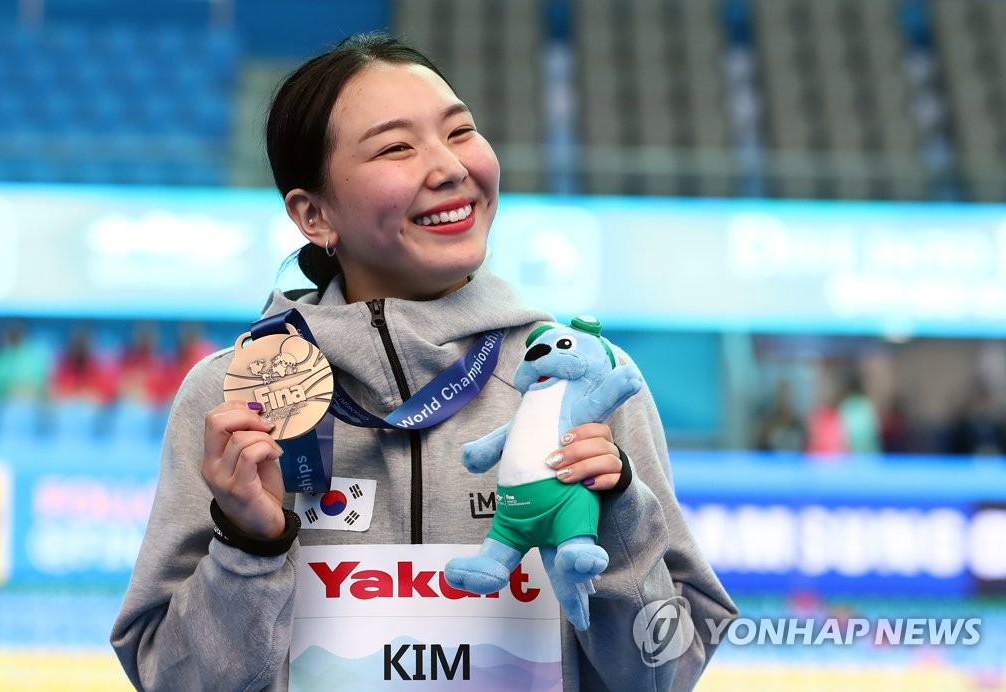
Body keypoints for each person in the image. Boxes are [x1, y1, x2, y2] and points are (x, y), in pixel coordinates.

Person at [111, 32, 736, 691]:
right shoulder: (235, 399)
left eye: (459, 132)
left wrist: (616, 514)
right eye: (396, 147)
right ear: (314, 214)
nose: (448, 167)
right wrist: (249, 546)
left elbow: (665, 673)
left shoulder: (580, 372)